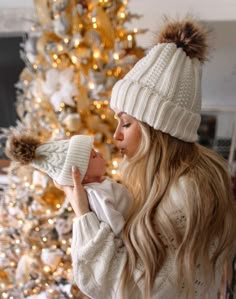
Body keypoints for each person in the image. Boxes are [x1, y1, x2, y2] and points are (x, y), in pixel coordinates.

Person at [56, 18, 236, 298]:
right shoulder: (158, 182)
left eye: (126, 124)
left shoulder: (188, 194)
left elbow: (129, 289)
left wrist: (83, 215)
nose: (116, 135)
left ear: (159, 129)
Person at [5, 134, 131, 236]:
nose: (100, 154)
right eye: (94, 156)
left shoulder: (102, 183)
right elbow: (117, 227)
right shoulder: (96, 194)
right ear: (81, 174)